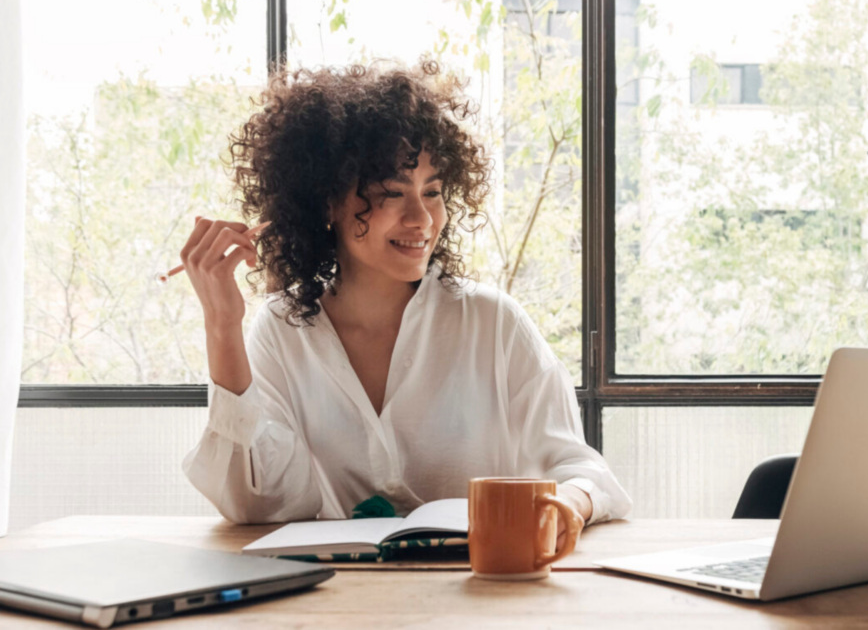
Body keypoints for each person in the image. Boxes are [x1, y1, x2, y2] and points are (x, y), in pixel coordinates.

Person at [180, 59, 632, 536]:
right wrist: (221, 326)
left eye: (432, 192)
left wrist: (567, 506)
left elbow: (581, 470)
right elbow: (258, 503)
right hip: (340, 602)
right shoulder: (282, 329)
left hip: (481, 597)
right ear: (327, 202)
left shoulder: (492, 323)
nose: (421, 219)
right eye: (392, 193)